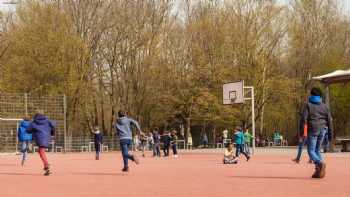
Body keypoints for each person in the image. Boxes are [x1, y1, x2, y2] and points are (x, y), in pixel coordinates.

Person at [300, 87, 333, 178]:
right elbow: (329, 121)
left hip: (313, 130)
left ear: (311, 95)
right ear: (320, 96)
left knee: (310, 150)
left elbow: (303, 119)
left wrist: (302, 132)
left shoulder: (308, 105)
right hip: (323, 130)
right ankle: (319, 172)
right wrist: (330, 134)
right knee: (317, 150)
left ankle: (320, 163)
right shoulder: (324, 106)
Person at [26, 110, 55, 176]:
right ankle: (46, 166)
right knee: (40, 151)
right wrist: (52, 133)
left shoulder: (34, 122)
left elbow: (27, 130)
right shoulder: (47, 120)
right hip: (47, 137)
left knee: (41, 151)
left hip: (39, 139)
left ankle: (46, 165)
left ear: (36, 115)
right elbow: (53, 125)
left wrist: (32, 128)